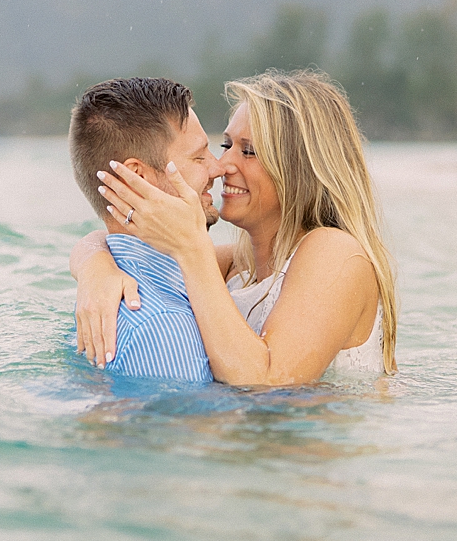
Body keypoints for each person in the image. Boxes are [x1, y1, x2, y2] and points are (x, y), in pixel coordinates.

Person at [74, 70, 398, 386]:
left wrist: (191, 246)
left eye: (248, 151)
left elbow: (268, 382)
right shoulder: (238, 266)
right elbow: (131, 248)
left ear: (301, 169)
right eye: (226, 144)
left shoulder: (336, 254)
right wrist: (96, 268)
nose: (223, 165)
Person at [67, 77, 226, 383]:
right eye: (198, 157)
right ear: (137, 178)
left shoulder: (107, 289)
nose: (217, 168)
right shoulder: (163, 326)